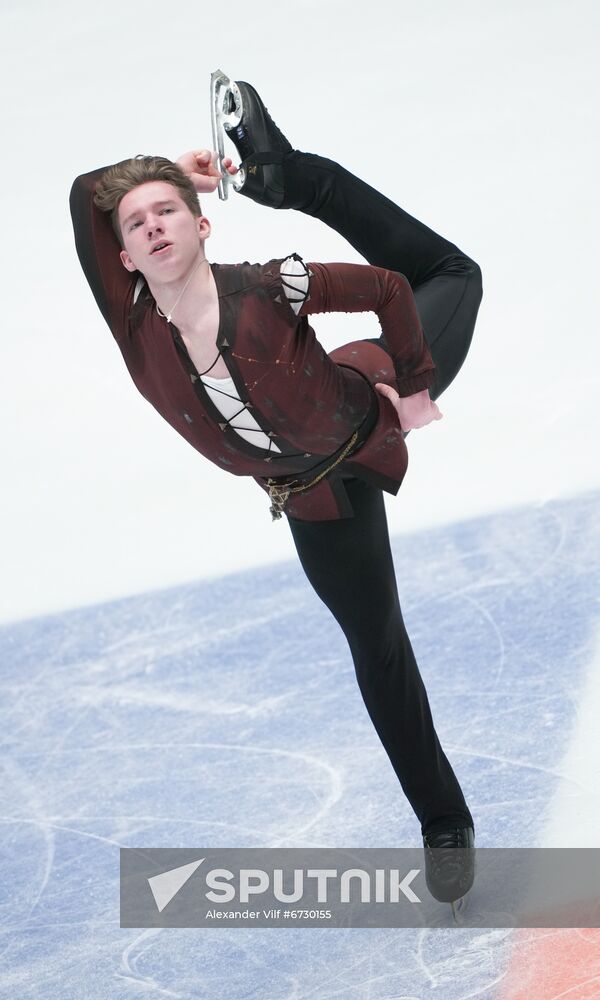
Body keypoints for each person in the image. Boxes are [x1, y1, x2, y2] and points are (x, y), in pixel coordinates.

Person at [69, 78, 482, 905]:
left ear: (202, 223)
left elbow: (393, 288)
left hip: (371, 400)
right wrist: (171, 171)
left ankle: (298, 177)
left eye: (169, 210)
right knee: (379, 649)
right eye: (137, 222)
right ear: (122, 255)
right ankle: (445, 822)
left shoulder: (264, 284)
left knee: (451, 273)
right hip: (317, 494)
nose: (153, 226)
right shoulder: (132, 322)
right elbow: (84, 197)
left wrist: (418, 382)